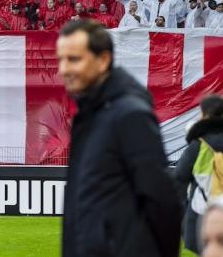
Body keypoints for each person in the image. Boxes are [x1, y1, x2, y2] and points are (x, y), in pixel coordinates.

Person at [57, 20, 181, 257]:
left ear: (103, 60)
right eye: (61, 59)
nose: (64, 69)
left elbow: (163, 202)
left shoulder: (130, 115)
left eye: (74, 59)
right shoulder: (91, 115)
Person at [174, 95, 223, 254]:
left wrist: (182, 212)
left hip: (199, 214)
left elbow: (178, 180)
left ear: (205, 115)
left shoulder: (198, 145)